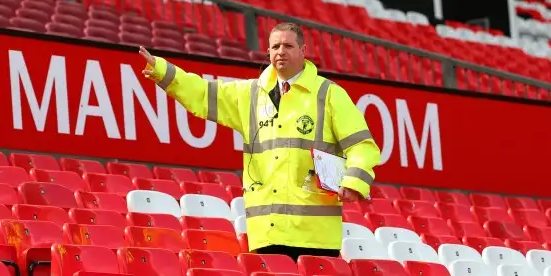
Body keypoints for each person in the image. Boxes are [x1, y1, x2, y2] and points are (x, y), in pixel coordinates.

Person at [139, 22, 381, 261]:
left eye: (288, 45)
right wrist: (163, 71)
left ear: (303, 51)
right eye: (275, 46)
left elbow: (362, 145)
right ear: (268, 52)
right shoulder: (250, 94)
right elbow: (202, 93)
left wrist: (354, 181)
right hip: (266, 233)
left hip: (315, 236)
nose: (281, 52)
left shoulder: (329, 94)